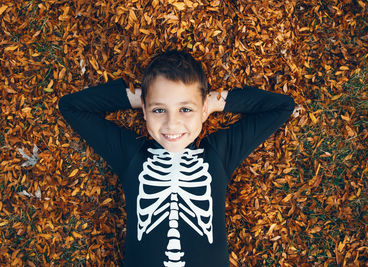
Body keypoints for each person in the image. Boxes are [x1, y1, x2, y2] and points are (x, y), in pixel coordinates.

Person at [58, 50, 295, 267]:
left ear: (203, 110)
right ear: (145, 111)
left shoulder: (218, 154)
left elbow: (282, 107)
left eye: (185, 109)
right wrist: (142, 99)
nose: (172, 124)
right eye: (159, 110)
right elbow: (71, 107)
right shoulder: (131, 155)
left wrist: (211, 102)